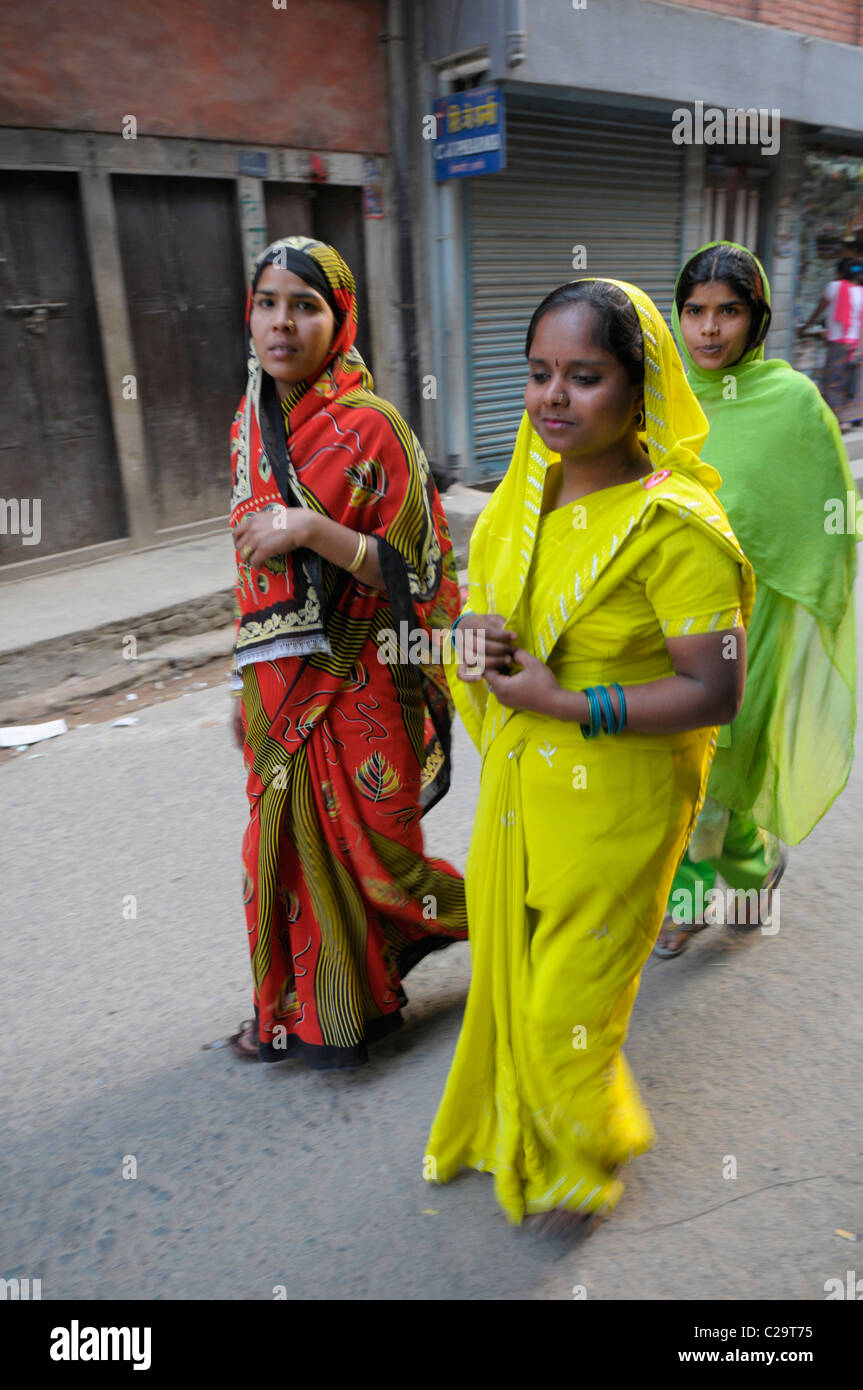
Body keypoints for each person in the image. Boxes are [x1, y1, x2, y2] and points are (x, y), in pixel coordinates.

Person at [423, 278, 754, 1228]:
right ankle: (531, 1133)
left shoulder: (676, 527)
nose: (552, 399)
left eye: (585, 376)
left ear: (640, 388)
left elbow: (714, 690)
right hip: (526, 788)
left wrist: (564, 700)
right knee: (516, 973)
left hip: (621, 794)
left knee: (567, 1000)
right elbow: (490, 624)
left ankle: (588, 1150)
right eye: (537, 375)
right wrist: (479, 650)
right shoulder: (518, 506)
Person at [225, 236, 467, 1068]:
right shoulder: (249, 419)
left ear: (340, 318)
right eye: (267, 302)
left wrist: (314, 530)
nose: (282, 324)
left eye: (305, 305)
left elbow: (424, 572)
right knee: (279, 848)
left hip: (363, 672)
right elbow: (245, 572)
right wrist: (238, 684)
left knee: (379, 855)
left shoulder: (376, 429)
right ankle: (297, 1009)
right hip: (276, 685)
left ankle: (508, 918)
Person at [656, 242, 858, 957]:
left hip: (757, 617)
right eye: (693, 311)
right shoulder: (660, 398)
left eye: (727, 311)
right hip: (671, 613)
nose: (707, 330)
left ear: (756, 318)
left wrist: (797, 577)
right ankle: (750, 866)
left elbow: (832, 514)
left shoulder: (793, 404)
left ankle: (684, 897)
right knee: (682, 760)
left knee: (726, 759)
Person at [799, 256, 863, 432]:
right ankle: (851, 418)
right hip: (855, 345)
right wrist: (859, 348)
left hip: (837, 344)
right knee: (852, 381)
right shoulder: (860, 292)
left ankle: (841, 421)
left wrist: (805, 327)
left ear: (840, 272)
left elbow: (819, 310)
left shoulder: (833, 287)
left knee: (833, 381)